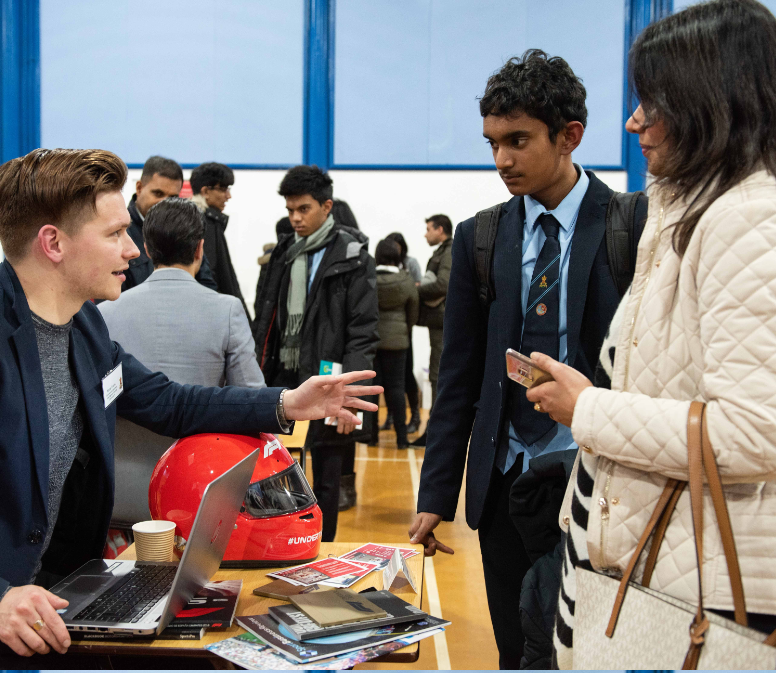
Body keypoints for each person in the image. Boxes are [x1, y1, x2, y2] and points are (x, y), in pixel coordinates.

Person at [0, 148, 380, 659]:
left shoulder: (84, 329)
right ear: (53, 243)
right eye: (115, 234)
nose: (133, 250)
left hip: (54, 600)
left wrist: (288, 403)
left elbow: (171, 403)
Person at [525, 1, 776, 666]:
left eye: (652, 102)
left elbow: (755, 431)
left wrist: (588, 409)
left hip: (708, 587)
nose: (633, 121)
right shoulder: (686, 211)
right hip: (663, 562)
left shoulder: (747, 218)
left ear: (709, 103)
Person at [408, 50, 645, 668]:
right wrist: (436, 493)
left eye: (518, 141)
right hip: (507, 482)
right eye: (492, 143)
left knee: (594, 651)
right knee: (516, 650)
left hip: (600, 482)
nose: (502, 160)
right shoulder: (481, 237)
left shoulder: (632, 225)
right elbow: (458, 375)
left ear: (570, 136)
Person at [252, 165, 379, 542]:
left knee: (326, 477)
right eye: (290, 210)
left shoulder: (354, 257)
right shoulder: (282, 253)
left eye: (303, 209)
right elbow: (264, 318)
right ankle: (281, 549)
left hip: (329, 379)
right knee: (273, 474)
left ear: (327, 207)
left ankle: (322, 552)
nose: (295, 218)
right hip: (282, 378)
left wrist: (350, 396)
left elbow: (362, 332)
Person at [99, 197, 265, 389]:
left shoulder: (105, 312)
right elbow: (251, 394)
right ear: (199, 249)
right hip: (201, 410)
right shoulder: (227, 310)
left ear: (147, 250)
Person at [123, 155, 217, 293]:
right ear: (139, 188)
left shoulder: (187, 231)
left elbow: (207, 285)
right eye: (158, 193)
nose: (164, 202)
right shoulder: (119, 233)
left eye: (172, 197)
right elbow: (110, 296)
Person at [372, 238, 419, 448]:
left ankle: (372, 437)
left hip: (373, 341)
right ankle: (401, 438)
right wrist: (403, 331)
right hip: (398, 342)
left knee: (372, 389)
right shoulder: (405, 280)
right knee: (397, 389)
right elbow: (413, 311)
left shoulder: (369, 279)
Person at [410, 214, 452, 446]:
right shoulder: (443, 252)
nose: (426, 234)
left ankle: (435, 434)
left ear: (440, 229)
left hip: (442, 321)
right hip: (438, 321)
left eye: (429, 229)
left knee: (437, 375)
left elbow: (444, 284)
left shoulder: (448, 252)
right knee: (436, 374)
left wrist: (416, 288)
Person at [190, 162, 249, 316]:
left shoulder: (204, 221)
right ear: (205, 191)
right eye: (223, 189)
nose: (228, 196)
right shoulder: (204, 224)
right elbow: (213, 275)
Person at [385, 232, 422, 434]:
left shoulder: (411, 263)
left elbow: (417, 291)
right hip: (387, 333)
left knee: (407, 374)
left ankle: (415, 414)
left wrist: (409, 324)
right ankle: (391, 415)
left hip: (404, 329)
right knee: (388, 377)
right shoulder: (383, 266)